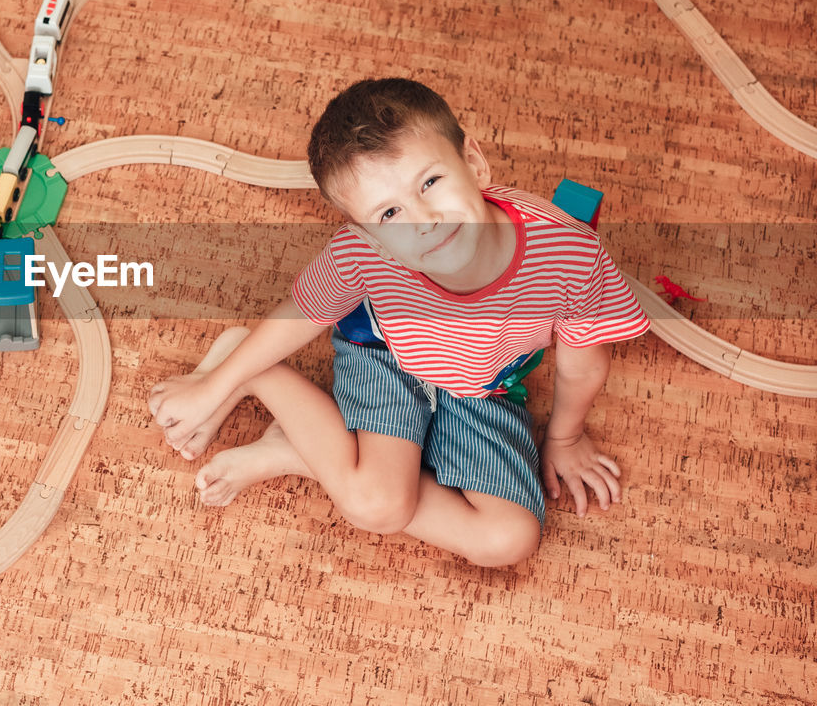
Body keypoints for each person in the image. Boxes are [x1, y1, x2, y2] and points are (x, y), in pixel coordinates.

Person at [148, 78, 650, 567]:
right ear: (369, 235)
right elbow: (301, 314)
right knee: (378, 507)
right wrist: (213, 388)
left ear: (473, 163)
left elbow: (583, 367)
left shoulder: (567, 256)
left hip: (483, 383)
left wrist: (564, 438)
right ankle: (253, 370)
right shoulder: (360, 254)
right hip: (389, 356)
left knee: (510, 539)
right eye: (389, 213)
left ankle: (306, 451)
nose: (424, 218)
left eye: (430, 182)